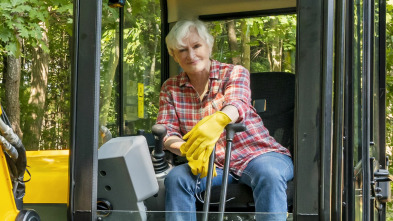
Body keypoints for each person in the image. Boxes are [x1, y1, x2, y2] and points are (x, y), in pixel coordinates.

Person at [156, 19, 293, 221]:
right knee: (177, 178)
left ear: (209, 46)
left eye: (196, 46)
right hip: (214, 164)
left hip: (259, 154)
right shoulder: (170, 88)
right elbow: (167, 131)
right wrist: (186, 150)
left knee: (270, 174)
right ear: (173, 55)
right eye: (182, 50)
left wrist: (220, 119)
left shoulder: (234, 73)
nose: (191, 55)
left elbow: (238, 103)